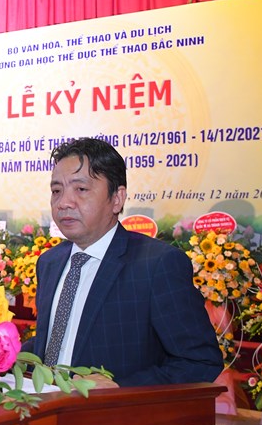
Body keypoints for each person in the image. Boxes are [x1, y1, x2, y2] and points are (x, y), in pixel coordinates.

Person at [24, 137, 223, 388]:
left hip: (114, 411)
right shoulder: (49, 262)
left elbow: (200, 361)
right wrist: (2, 355)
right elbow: (59, 339)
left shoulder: (157, 265)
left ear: (117, 198)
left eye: (81, 189)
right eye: (56, 191)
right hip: (43, 405)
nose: (64, 202)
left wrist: (120, 388)